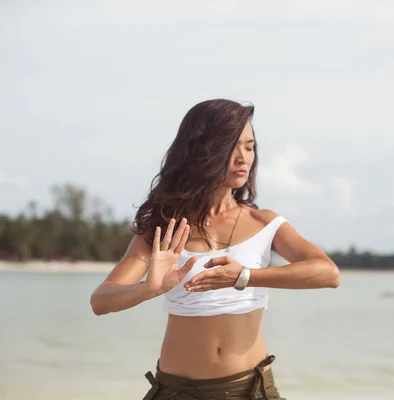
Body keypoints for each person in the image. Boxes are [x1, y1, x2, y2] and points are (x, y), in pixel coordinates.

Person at [90, 99, 340, 399]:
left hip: (249, 390)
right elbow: (101, 301)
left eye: (250, 147)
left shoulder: (265, 223)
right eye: (232, 146)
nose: (243, 158)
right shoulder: (165, 227)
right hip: (177, 392)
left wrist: (245, 276)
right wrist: (149, 288)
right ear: (201, 150)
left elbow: (328, 273)